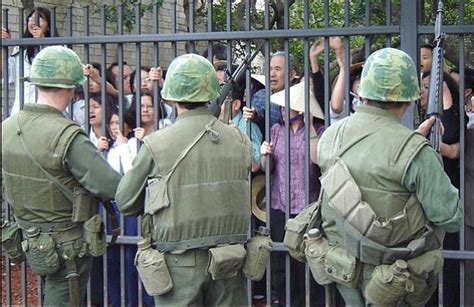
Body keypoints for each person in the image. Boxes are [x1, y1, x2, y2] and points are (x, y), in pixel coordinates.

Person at [315, 48, 463, 306]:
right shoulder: (415, 152)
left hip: (342, 270)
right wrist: (417, 147)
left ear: (361, 92)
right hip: (392, 282)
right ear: (409, 100)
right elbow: (451, 217)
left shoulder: (330, 136)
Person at [115, 53, 252, 306]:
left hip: (178, 262)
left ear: (171, 96)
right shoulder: (239, 139)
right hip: (230, 259)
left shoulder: (157, 143)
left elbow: (125, 201)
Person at [2, 46, 121, 305]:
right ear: (70, 89)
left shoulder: (7, 129)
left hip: (32, 241)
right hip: (69, 247)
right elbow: (111, 186)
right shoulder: (68, 135)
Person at [260, 79, 325, 306]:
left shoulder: (318, 130)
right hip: (280, 205)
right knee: (282, 263)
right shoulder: (276, 130)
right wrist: (265, 155)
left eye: (289, 106)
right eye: (282, 106)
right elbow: (267, 169)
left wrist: (309, 126)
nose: (284, 110)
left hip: (309, 209)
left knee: (311, 261)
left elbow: (318, 160)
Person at [2, 7, 59, 115]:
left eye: (39, 19)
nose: (33, 22)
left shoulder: (59, 47)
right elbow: (5, 75)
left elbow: (56, 72)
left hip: (46, 111)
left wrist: (43, 43)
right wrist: (5, 47)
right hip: (20, 110)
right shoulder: (20, 49)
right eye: (30, 19)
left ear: (48, 26)